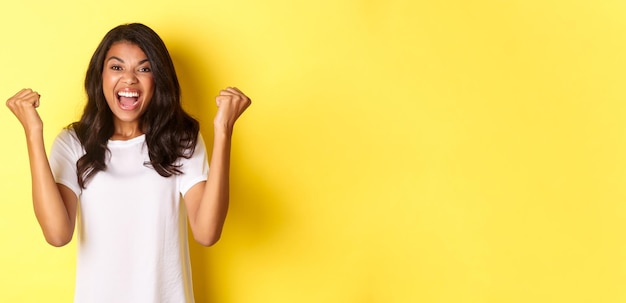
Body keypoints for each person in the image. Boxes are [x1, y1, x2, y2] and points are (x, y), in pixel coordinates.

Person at [5, 23, 251, 302]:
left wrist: (224, 130)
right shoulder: (74, 143)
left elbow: (207, 232)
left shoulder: (180, 140)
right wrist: (32, 133)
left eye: (144, 69)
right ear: (100, 76)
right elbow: (57, 234)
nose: (130, 79)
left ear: (158, 79)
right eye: (117, 67)